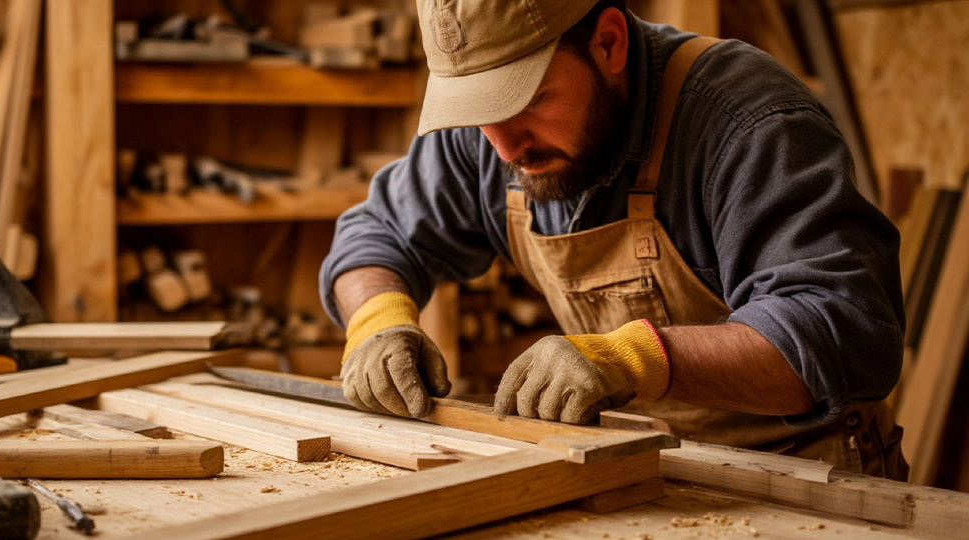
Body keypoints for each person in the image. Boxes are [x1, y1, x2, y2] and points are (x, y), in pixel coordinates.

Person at [319, 0, 908, 479]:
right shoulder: (491, 137)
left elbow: (843, 327)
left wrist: (635, 358)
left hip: (800, 476)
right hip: (636, 469)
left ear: (608, 43)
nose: (502, 148)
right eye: (476, 110)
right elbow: (376, 233)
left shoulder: (747, 122)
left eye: (523, 98)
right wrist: (377, 320)